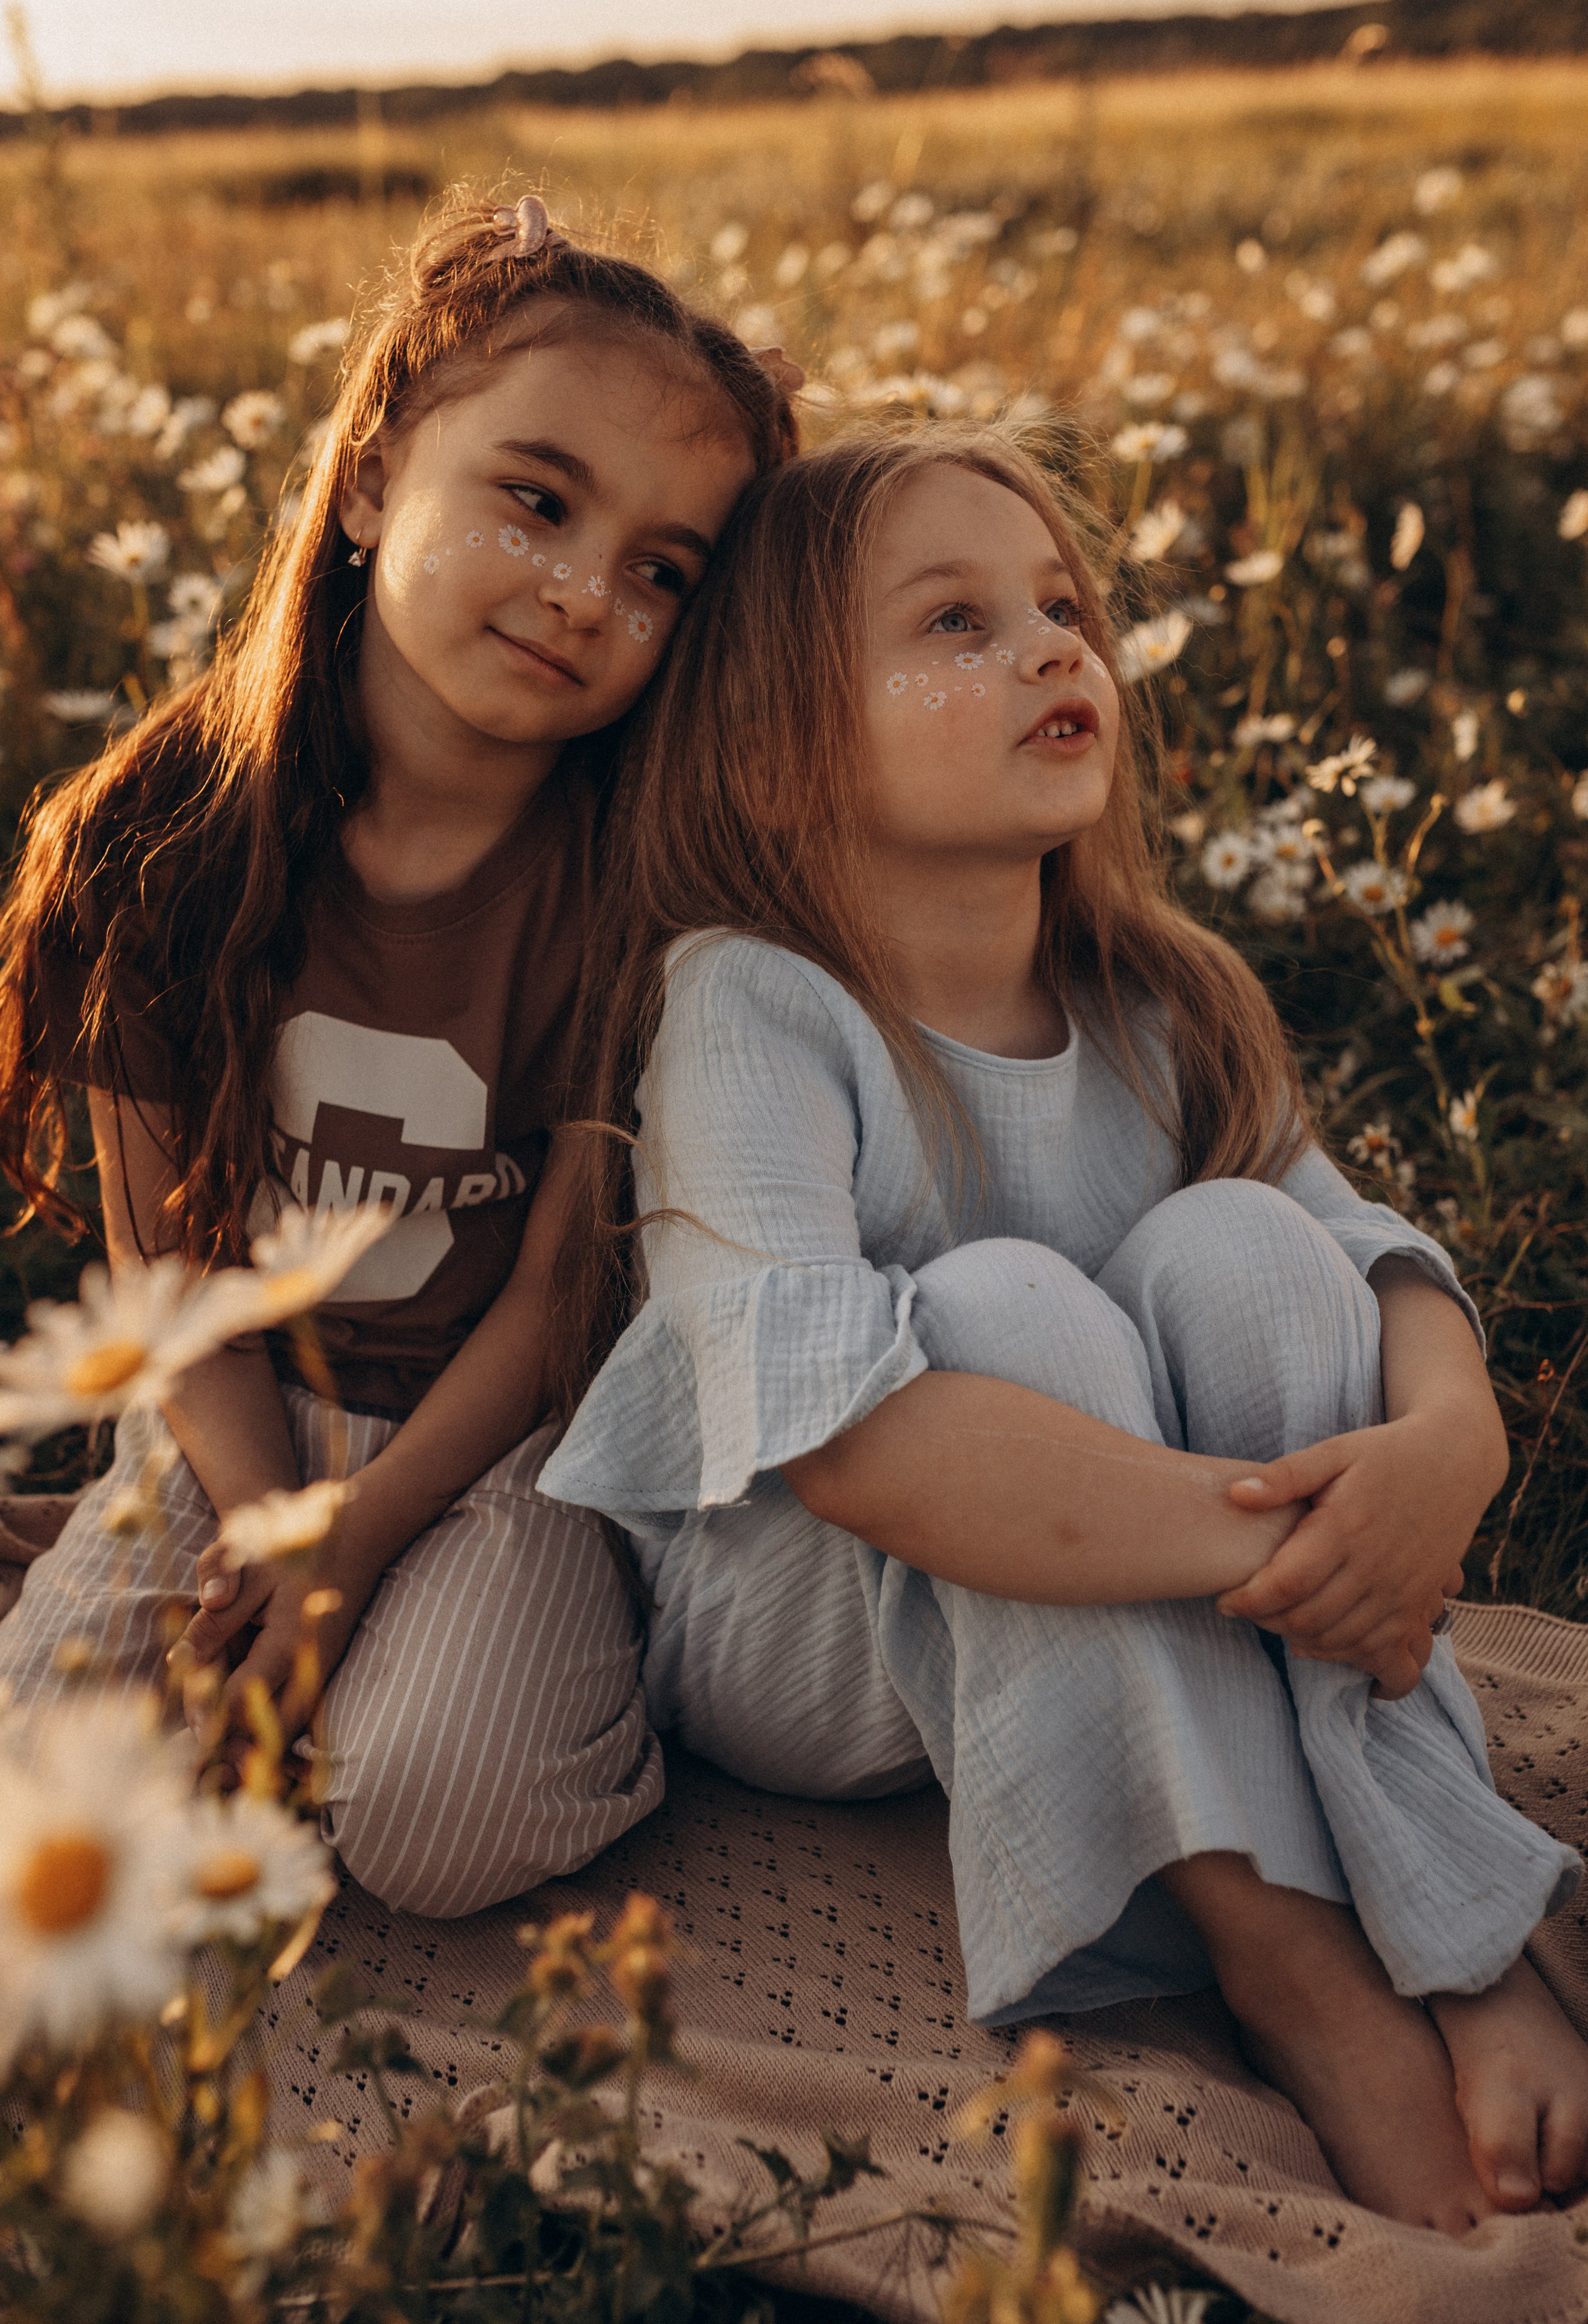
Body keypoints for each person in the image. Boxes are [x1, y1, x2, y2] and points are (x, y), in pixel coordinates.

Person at [540, 425, 1588, 2233]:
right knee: (1004, 1313)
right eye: (955, 624)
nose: (1048, 649)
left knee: (1255, 1254)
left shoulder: (1156, 996)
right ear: (780, 750)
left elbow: (1372, 1259)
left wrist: (1444, 1452)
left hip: (1180, 1541)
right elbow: (848, 1442)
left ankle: (1464, 1937)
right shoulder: (753, 1003)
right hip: (794, 1617)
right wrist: (1291, 1548)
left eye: (1061, 609)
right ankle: (1311, 1988)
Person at [0, 189, 796, 1916]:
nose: (588, 592)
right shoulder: (163, 838)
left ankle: (607, 1640)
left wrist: (363, 1548)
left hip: (502, 1443)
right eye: (536, 499)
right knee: (46, 1790)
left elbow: (557, 1305)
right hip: (232, 1428)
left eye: (661, 571)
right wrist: (277, 1526)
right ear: (370, 481)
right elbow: (172, 1282)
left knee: (435, 1825)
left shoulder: (642, 890)